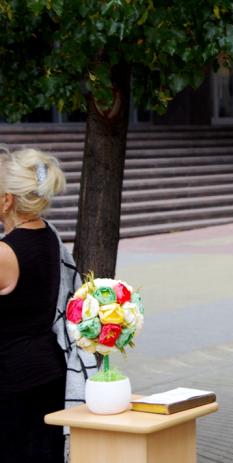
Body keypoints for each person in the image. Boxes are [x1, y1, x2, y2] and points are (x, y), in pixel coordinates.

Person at [0, 148, 97, 463]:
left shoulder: (5, 254)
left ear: (7, 200)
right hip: (50, 374)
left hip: (13, 386)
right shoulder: (51, 238)